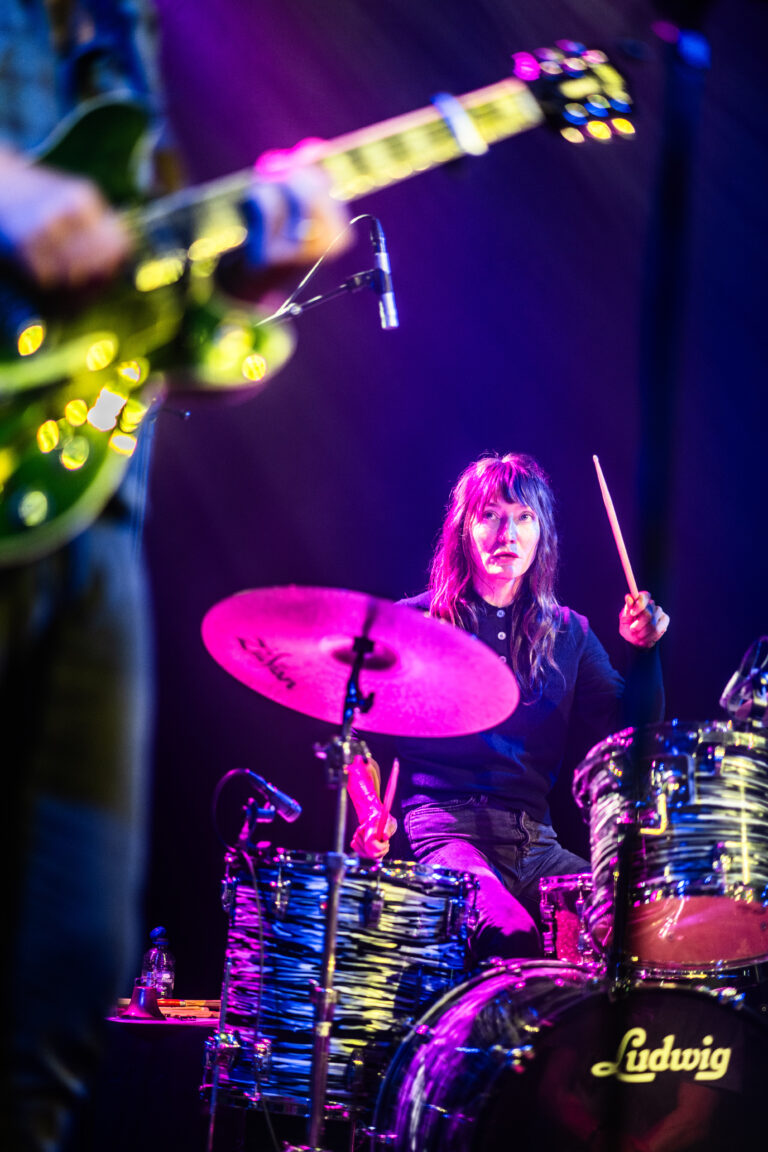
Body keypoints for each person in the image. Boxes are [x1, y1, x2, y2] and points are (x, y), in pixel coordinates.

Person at [0, 4, 349, 1150]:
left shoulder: (123, 24)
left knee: (62, 976)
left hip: (92, 522)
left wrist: (249, 285)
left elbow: (155, 333)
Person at [349, 451, 669, 963]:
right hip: (443, 830)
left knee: (631, 931)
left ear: (541, 534)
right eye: (491, 515)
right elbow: (354, 734)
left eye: (524, 517)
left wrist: (644, 651)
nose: (508, 534)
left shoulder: (570, 632)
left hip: (535, 841)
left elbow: (632, 730)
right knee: (511, 933)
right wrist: (369, 810)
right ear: (463, 530)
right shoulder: (416, 626)